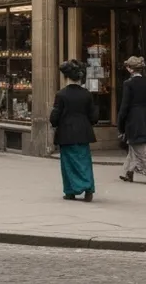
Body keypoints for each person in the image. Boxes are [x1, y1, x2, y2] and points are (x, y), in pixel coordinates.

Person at [51, 59, 97, 201]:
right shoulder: (87, 94)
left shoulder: (61, 94)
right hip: (83, 131)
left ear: (66, 77)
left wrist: (55, 122)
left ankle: (71, 190)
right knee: (84, 161)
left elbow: (55, 116)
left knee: (68, 163)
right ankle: (88, 188)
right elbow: (94, 116)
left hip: (66, 132)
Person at [117, 56, 146, 185]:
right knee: (135, 146)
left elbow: (125, 105)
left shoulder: (128, 84)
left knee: (142, 147)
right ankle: (128, 172)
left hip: (134, 118)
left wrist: (120, 124)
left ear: (130, 69)